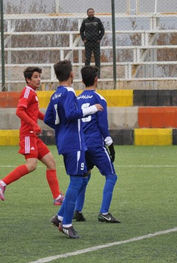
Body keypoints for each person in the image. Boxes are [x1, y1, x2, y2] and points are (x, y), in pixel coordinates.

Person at [45, 60, 103, 238]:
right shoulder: (69, 92)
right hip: (74, 143)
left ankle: (61, 216)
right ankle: (66, 224)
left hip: (64, 141)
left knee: (80, 178)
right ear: (71, 75)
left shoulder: (55, 94)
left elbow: (48, 118)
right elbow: (71, 114)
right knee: (77, 181)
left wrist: (61, 129)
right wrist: (91, 109)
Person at [0, 67, 63, 205]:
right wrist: (33, 125)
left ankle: (57, 197)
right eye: (35, 77)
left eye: (39, 76)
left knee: (51, 163)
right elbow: (19, 111)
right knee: (31, 165)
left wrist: (53, 123)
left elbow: (35, 113)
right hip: (28, 135)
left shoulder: (32, 93)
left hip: (33, 135)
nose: (38, 79)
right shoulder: (28, 92)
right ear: (28, 80)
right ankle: (2, 183)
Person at [73, 65, 120, 223]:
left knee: (84, 177)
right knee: (111, 176)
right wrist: (110, 143)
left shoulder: (77, 99)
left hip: (81, 144)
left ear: (82, 80)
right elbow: (102, 124)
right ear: (96, 79)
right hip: (95, 144)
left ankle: (77, 211)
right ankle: (104, 212)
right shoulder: (99, 99)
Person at [80, 8, 104, 77]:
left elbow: (102, 30)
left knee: (97, 59)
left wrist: (99, 38)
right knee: (87, 59)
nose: (91, 13)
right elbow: (81, 31)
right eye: (90, 12)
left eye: (92, 12)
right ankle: (86, 75)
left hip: (96, 42)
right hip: (88, 43)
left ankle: (98, 75)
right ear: (87, 13)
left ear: (94, 13)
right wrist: (83, 39)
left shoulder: (97, 20)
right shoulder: (85, 21)